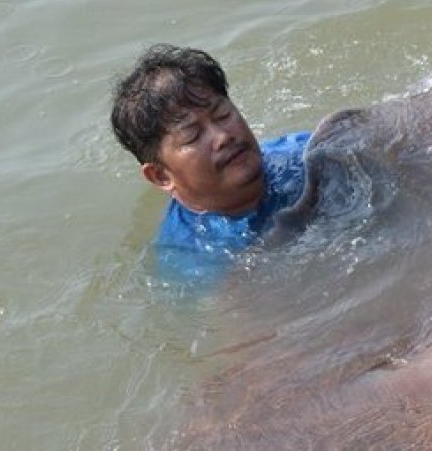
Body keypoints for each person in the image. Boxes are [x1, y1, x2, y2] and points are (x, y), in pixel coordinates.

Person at [109, 45, 310, 283]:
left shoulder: (306, 152)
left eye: (223, 115)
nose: (223, 137)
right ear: (161, 176)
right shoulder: (191, 261)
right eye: (192, 136)